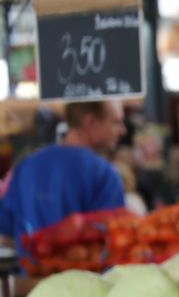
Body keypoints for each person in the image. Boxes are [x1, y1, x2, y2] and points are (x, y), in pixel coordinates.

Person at [0, 100, 127, 263]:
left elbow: (6, 223)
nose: (122, 130)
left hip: (31, 284)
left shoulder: (26, 165)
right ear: (90, 122)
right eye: (115, 122)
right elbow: (116, 239)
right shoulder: (103, 173)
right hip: (88, 284)